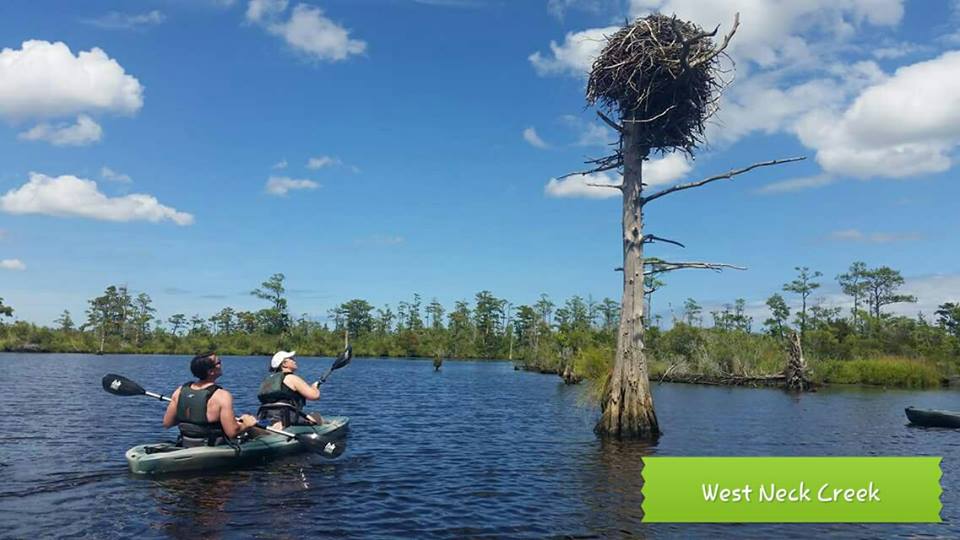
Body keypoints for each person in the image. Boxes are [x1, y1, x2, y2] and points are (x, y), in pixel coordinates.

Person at [162, 351, 258, 447]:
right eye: (218, 362)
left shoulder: (179, 391)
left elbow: (167, 423)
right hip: (211, 448)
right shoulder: (222, 396)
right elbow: (232, 432)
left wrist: (189, 417)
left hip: (186, 443)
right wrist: (246, 424)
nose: (221, 364)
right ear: (211, 371)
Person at [257, 350, 322, 430]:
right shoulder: (291, 378)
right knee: (316, 417)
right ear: (284, 364)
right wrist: (314, 387)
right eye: (291, 359)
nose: (294, 361)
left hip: (265, 416)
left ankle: (274, 426)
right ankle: (279, 425)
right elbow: (314, 396)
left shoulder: (268, 380)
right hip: (287, 416)